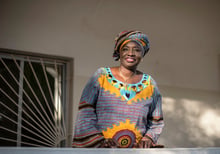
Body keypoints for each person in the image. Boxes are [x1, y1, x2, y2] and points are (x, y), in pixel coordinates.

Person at [72, 30, 164, 148]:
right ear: (119, 52)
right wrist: (100, 141)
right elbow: (85, 112)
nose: (130, 53)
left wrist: (148, 138)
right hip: (103, 150)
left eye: (137, 50)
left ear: (143, 55)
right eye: (125, 49)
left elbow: (156, 121)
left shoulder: (150, 83)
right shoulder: (101, 76)